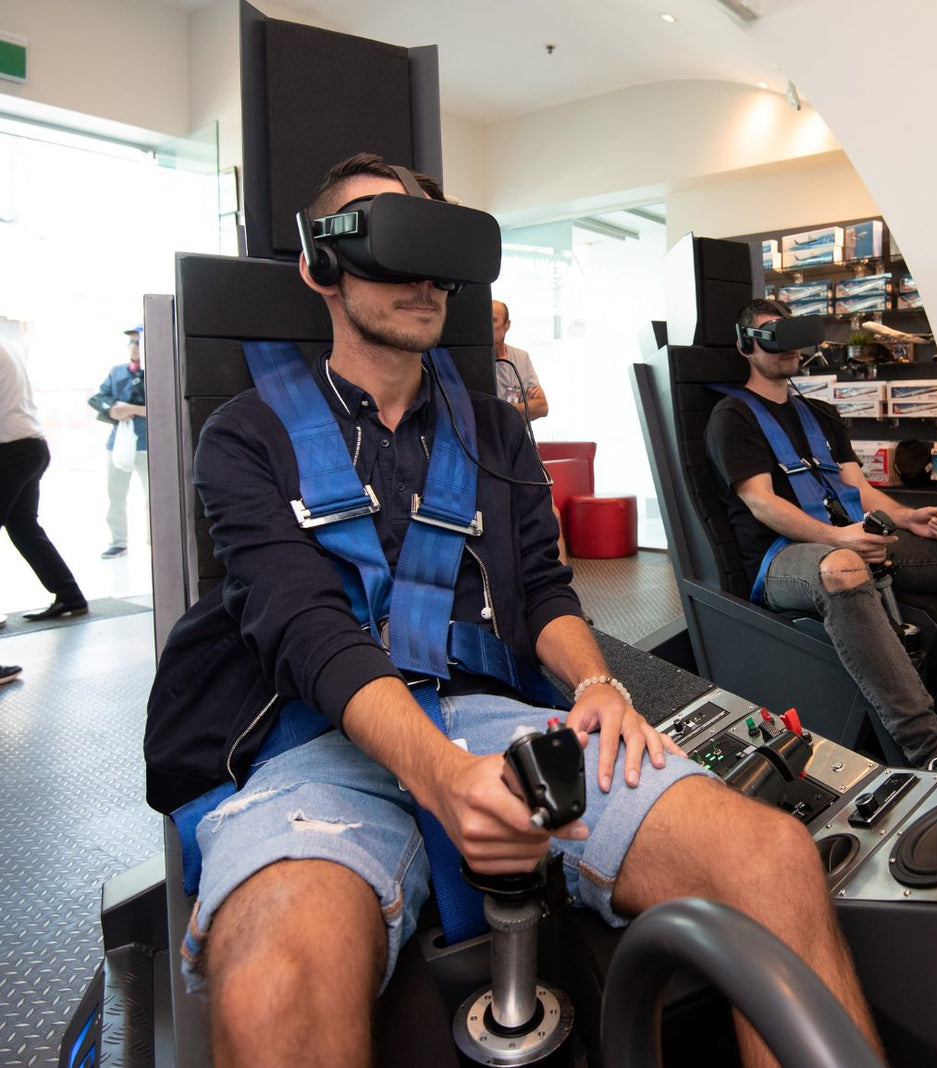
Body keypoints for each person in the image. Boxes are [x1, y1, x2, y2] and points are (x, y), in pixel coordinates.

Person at [144, 154, 879, 1066]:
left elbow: (541, 590)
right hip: (317, 738)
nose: (423, 277)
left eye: (437, 248)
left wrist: (601, 683)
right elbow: (302, 626)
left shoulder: (493, 433)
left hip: (490, 713)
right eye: (389, 241)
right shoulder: (248, 433)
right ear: (319, 265)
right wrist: (440, 778)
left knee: (774, 861)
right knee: (273, 986)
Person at [705, 299, 937, 773]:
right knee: (845, 568)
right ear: (745, 345)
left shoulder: (821, 415)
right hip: (783, 559)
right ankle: (932, 749)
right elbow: (760, 501)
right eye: (771, 336)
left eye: (792, 336)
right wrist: (836, 538)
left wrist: (906, 518)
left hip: (850, 538)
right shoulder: (732, 416)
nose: (786, 349)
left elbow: (857, 489)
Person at [1, 338, 89, 623]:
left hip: (10, 448)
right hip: (29, 444)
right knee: (24, 526)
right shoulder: (7, 344)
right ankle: (70, 595)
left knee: (24, 526)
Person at [89, 326, 149, 558]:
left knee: (152, 497)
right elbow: (99, 398)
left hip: (148, 444)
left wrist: (132, 408)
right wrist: (114, 409)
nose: (134, 348)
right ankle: (118, 541)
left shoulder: (155, 374)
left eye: (138, 342)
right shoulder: (117, 372)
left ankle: (154, 540)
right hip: (119, 444)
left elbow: (164, 406)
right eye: (132, 343)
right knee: (115, 495)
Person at [491, 299, 548, 421]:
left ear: (507, 325)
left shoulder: (522, 358)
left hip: (518, 437)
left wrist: (508, 409)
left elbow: (542, 407)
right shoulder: (475, 362)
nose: (487, 326)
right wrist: (523, 406)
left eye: (493, 320)